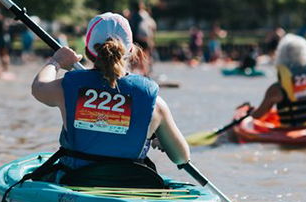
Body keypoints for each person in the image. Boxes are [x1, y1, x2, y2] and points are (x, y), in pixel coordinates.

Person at [29, 13, 191, 185]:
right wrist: (156, 135)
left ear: (88, 52)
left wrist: (56, 61)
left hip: (76, 182)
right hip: (132, 188)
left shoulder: (68, 87)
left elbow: (38, 88)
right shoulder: (155, 104)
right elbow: (181, 157)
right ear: (131, 51)